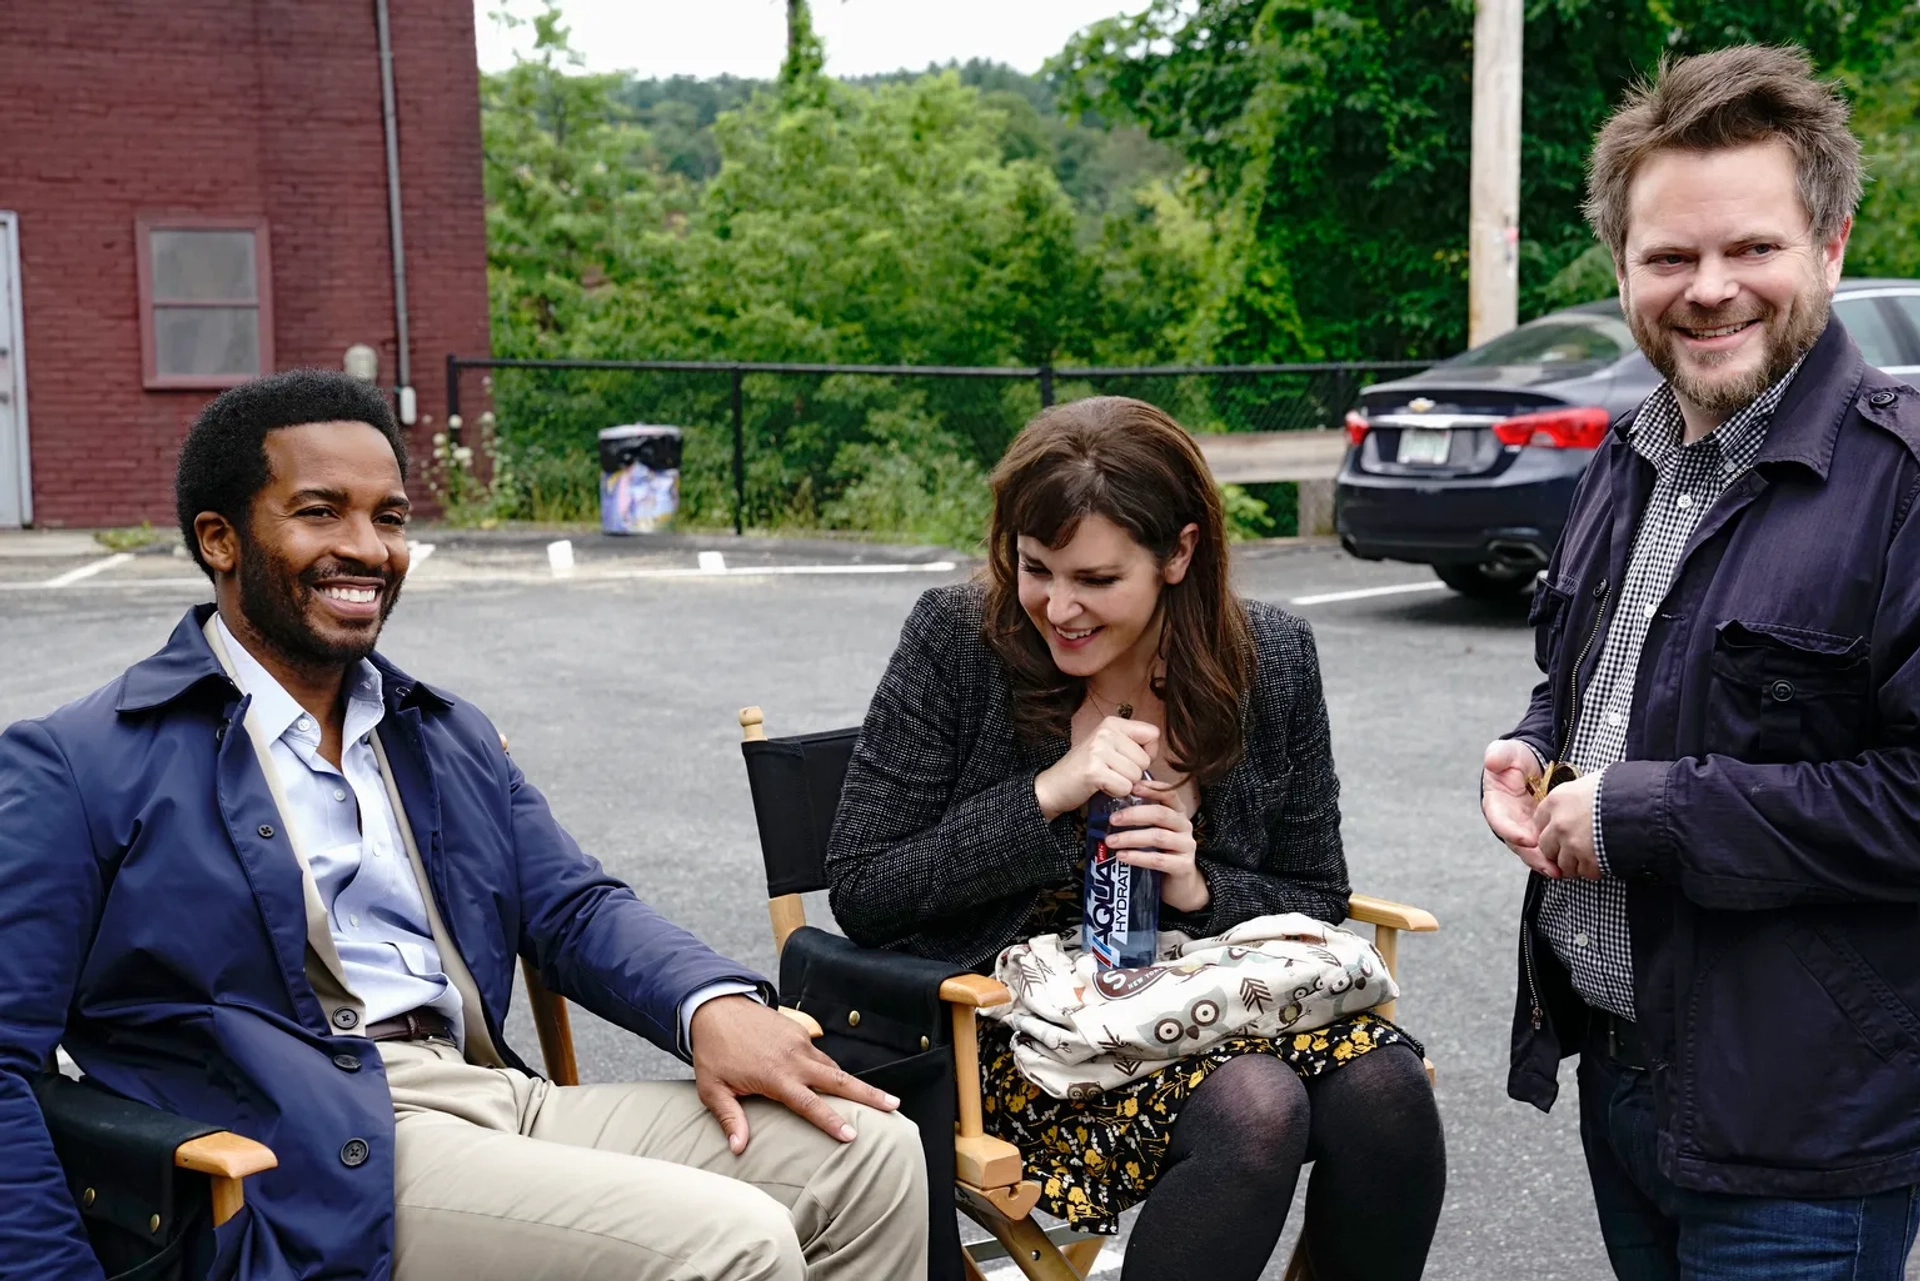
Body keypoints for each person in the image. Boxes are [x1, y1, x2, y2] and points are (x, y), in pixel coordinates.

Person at [0, 370, 928, 1281]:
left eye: (390, 517)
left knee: (873, 1156)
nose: (367, 548)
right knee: (732, 1238)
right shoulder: (81, 764)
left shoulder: (442, 733)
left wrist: (711, 1006)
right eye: (321, 512)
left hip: (493, 1094)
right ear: (221, 539)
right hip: (306, 1153)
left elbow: (573, 906)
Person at [827, 396, 1446, 1281]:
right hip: (1005, 1038)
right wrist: (1049, 793)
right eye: (1035, 567)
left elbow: (1315, 892)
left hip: (1205, 1005)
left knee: (1388, 1094)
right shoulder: (959, 642)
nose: (1057, 605)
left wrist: (1200, 887)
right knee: (1257, 1107)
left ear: (1179, 553)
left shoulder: (1267, 659)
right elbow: (864, 888)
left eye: (1096, 579)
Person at [1482, 45, 1920, 1281]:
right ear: (1624, 268)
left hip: (1802, 1125)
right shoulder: (1627, 458)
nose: (1709, 289)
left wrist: (1646, 810)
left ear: (1829, 247)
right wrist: (1533, 745)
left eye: (1753, 249)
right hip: (1626, 1075)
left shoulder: (1902, 488)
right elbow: (1591, 684)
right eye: (1669, 256)